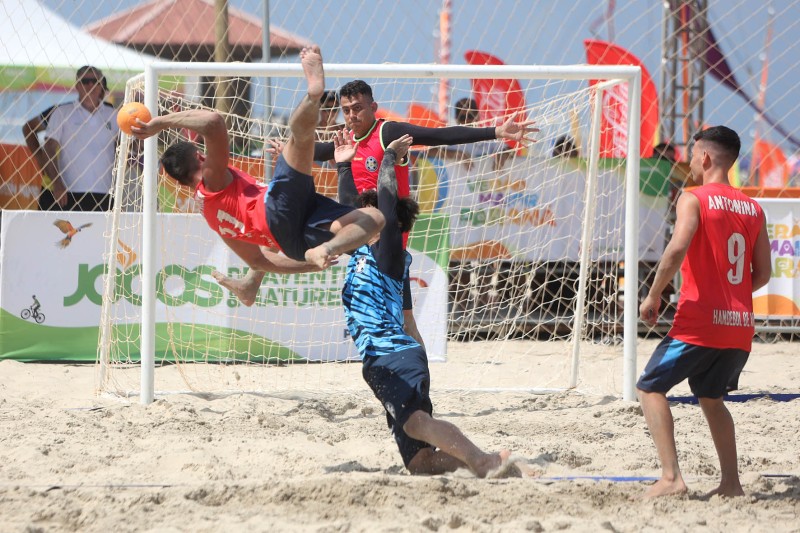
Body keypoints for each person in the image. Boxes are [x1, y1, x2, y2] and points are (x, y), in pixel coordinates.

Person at [215, 81, 539, 346]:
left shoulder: (388, 132)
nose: (352, 115)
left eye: (358, 108)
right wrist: (286, 152)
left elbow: (439, 135)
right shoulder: (345, 139)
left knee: (406, 317)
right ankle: (253, 280)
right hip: (356, 226)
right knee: (285, 228)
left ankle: (418, 373)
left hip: (387, 228)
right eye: (346, 110)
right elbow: (313, 151)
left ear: (372, 106)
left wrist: (496, 132)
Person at [337, 130, 516, 477]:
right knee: (421, 463)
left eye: (366, 215)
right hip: (398, 354)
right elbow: (349, 209)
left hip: (390, 356)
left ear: (382, 223)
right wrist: (344, 167)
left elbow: (386, 200)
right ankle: (495, 465)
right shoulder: (358, 248)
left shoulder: (388, 253)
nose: (354, 220)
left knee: (417, 423)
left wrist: (388, 159)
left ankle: (482, 460)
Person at [130, 46, 384, 273]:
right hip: (278, 207)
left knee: (374, 219)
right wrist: (161, 122)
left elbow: (260, 262)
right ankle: (313, 95)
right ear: (200, 156)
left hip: (290, 241)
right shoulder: (212, 179)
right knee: (300, 138)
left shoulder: (210, 215)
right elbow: (213, 122)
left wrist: (308, 263)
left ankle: (327, 249)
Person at [637, 126, 771, 499]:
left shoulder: (693, 198)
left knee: (649, 388)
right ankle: (731, 484)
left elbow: (676, 249)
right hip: (740, 327)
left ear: (706, 158)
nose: (690, 162)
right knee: (712, 400)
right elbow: (763, 274)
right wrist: (731, 295)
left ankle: (671, 478)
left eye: (693, 155)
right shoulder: (753, 207)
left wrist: (654, 294)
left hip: (699, 323)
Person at [33, 66, 119, 211]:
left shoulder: (114, 115)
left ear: (101, 85)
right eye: (85, 81)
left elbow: (123, 149)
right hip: (68, 192)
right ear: (77, 85)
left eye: (95, 81)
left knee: (101, 234)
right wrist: (57, 184)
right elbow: (49, 148)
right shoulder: (62, 112)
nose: (90, 85)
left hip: (105, 192)